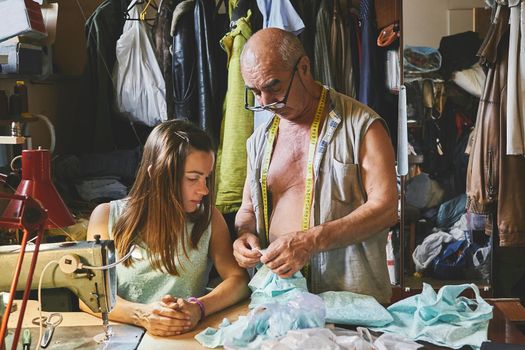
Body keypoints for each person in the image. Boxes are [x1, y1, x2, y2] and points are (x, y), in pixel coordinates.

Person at [233, 28, 398, 303]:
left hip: (349, 305)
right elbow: (247, 209)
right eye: (255, 92)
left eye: (274, 86)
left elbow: (386, 209)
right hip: (277, 302)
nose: (265, 102)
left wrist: (311, 241)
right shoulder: (258, 141)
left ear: (304, 68)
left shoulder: (362, 126)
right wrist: (243, 236)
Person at [82, 120, 250, 336]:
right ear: (157, 174)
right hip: (122, 338)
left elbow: (238, 280)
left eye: (206, 178)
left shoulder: (208, 219)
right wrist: (141, 315)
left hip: (184, 338)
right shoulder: (105, 216)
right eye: (193, 178)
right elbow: (88, 296)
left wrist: (199, 308)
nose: (204, 190)